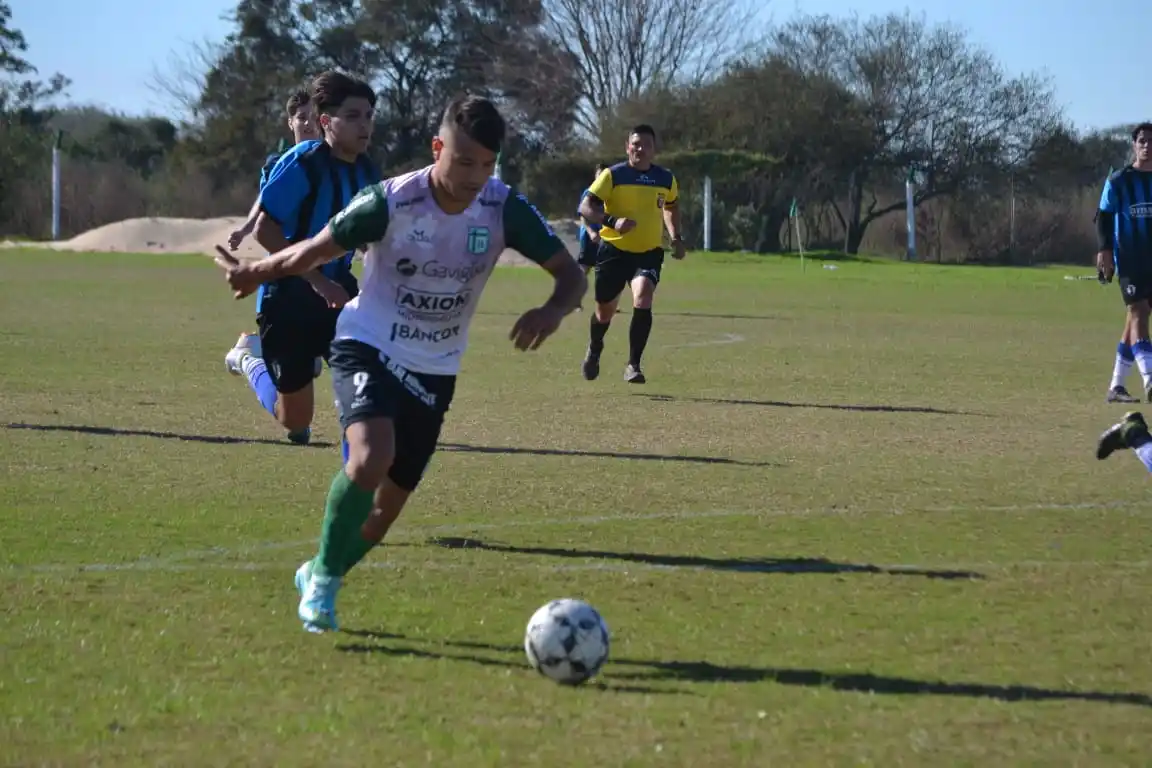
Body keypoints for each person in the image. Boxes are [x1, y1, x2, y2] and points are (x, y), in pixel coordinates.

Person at [212, 94, 587, 633]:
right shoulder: (389, 201)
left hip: (437, 367)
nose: (474, 176)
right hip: (368, 343)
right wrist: (257, 272)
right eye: (463, 161)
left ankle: (319, 568)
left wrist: (553, 309)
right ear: (437, 148)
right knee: (370, 457)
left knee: (382, 514)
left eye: (487, 164)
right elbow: (315, 249)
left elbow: (570, 275)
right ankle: (324, 586)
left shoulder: (502, 207)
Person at [223, 70, 381, 448]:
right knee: (296, 422)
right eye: (353, 116)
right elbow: (265, 230)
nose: (364, 125)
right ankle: (248, 359)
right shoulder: (304, 163)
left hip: (340, 291)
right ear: (326, 122)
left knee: (373, 379)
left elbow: (364, 232)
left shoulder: (367, 170)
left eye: (369, 116)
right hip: (288, 295)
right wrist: (317, 280)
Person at [578, 124, 684, 384]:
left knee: (644, 296)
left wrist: (675, 237)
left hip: (648, 253)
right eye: (635, 144)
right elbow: (585, 206)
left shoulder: (665, 178)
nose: (640, 149)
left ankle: (633, 365)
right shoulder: (613, 175)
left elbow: (671, 206)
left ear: (654, 149)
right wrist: (613, 221)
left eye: (646, 145)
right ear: (627, 147)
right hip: (613, 251)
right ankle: (595, 347)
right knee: (604, 313)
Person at [1097, 122, 1152, 402]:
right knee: (1138, 311)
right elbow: (1104, 215)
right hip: (1130, 259)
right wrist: (1104, 250)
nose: (1147, 146)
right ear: (1134, 144)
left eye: (1151, 141)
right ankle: (1150, 378)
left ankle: (1116, 387)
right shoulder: (1119, 180)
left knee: (1134, 318)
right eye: (1142, 141)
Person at [228, 89, 321, 250]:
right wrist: (245, 230)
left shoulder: (336, 161)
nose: (308, 123)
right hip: (289, 253)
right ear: (291, 123)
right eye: (302, 118)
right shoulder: (280, 164)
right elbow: (265, 202)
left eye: (314, 118)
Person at [574, 162, 606, 310]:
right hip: (589, 237)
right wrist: (591, 232)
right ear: (595, 175)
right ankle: (575, 301)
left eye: (604, 174)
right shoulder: (589, 193)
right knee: (584, 269)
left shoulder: (609, 193)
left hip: (605, 237)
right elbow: (583, 215)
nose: (601, 177)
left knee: (606, 270)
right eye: (599, 174)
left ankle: (605, 302)